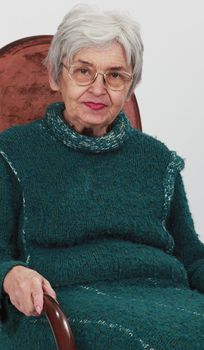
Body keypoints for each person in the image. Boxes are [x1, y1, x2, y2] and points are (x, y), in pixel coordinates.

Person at [0, 4, 204, 350]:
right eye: (83, 71)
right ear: (55, 76)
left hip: (166, 294)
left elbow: (191, 257)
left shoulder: (157, 160)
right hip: (59, 301)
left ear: (130, 85)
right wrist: (10, 273)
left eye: (115, 75)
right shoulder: (12, 153)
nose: (98, 88)